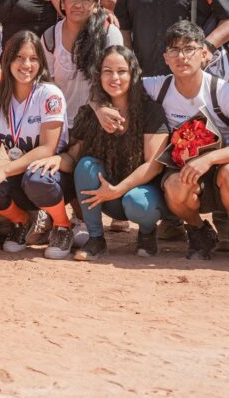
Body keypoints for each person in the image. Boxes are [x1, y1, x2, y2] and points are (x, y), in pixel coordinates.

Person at [109, 21, 229, 266]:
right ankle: (198, 232)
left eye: (189, 49)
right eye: (174, 50)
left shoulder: (222, 91)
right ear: (165, 57)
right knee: (174, 186)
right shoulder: (157, 87)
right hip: (183, 169)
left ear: (205, 54)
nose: (181, 56)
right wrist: (99, 107)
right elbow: (114, 86)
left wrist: (209, 159)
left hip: (223, 168)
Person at [0, 31, 75, 258]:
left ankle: (62, 225)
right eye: (19, 57)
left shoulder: (49, 94)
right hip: (20, 173)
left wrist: (3, 170)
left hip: (53, 177)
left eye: (33, 58)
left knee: (36, 177)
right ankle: (21, 221)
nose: (26, 64)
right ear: (7, 59)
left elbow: (47, 148)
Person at [70, 45, 170, 260]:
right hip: (106, 197)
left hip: (141, 196)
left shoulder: (150, 109)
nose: (114, 77)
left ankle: (147, 233)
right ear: (99, 75)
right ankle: (96, 238)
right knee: (85, 165)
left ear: (133, 74)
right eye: (107, 71)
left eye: (122, 71)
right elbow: (72, 153)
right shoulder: (91, 112)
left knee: (137, 202)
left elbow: (155, 164)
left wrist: (117, 190)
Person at [40, 0, 123, 118]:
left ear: (96, 6)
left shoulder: (109, 34)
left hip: (100, 122)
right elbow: (47, 83)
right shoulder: (50, 36)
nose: (78, 5)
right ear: (62, 3)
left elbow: (118, 81)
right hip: (60, 122)